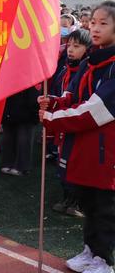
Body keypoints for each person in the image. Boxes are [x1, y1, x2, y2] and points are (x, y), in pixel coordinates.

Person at [39, 1, 115, 273]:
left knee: (104, 207)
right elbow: (73, 97)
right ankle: (90, 250)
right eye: (93, 22)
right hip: (85, 146)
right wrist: (54, 102)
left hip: (107, 150)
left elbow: (95, 110)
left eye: (103, 23)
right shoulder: (91, 61)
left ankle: (104, 260)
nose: (94, 28)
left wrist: (51, 120)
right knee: (88, 201)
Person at [49, 28, 92, 217]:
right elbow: (61, 92)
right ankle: (67, 196)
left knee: (77, 161)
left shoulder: (89, 70)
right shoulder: (65, 68)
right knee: (63, 160)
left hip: (76, 121)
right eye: (69, 45)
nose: (70, 50)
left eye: (77, 46)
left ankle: (79, 201)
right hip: (63, 121)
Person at [0, 86, 40, 176]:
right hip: (10, 106)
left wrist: (34, 110)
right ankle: (8, 162)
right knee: (8, 137)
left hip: (26, 110)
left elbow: (34, 97)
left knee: (24, 137)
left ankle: (22, 166)